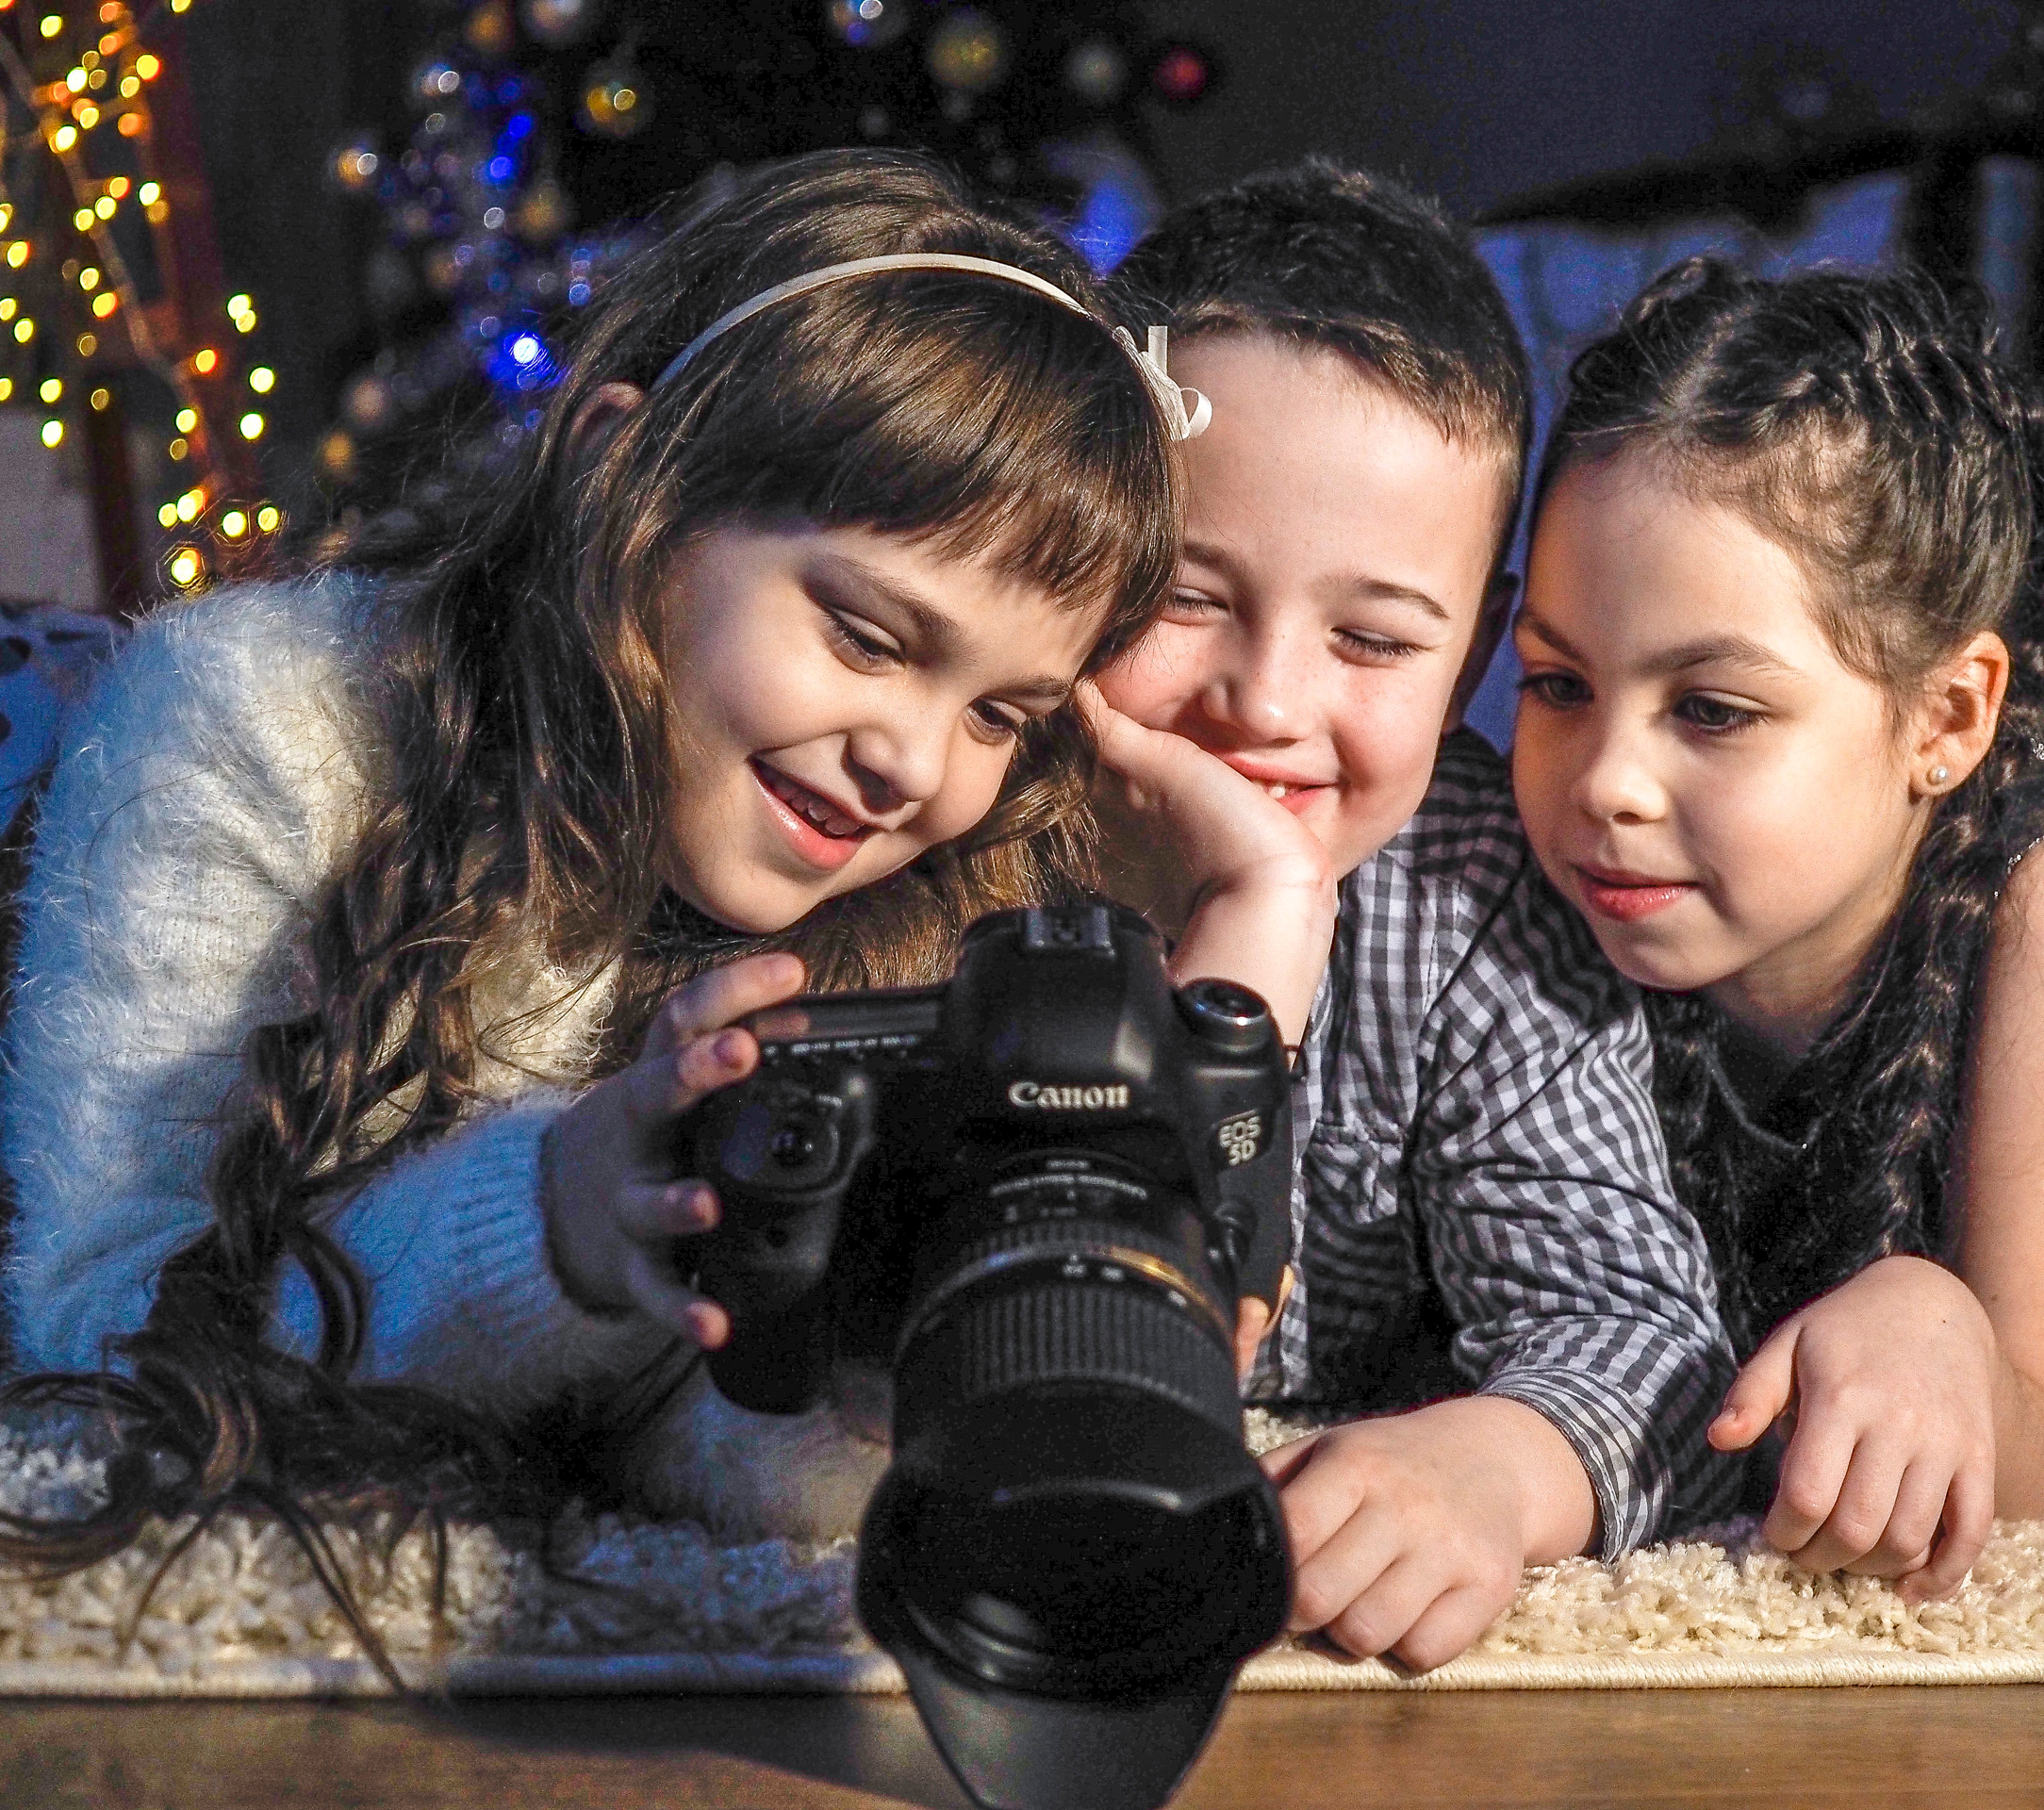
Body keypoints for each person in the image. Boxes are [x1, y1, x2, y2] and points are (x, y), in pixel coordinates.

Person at [0, 151, 1210, 1597]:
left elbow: (652, 1430)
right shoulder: (254, 718)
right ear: (620, 475)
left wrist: (880, 1405)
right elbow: (95, 1339)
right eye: (870, 639)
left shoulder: (925, 908)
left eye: (1001, 715)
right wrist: (556, 1219)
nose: (916, 762)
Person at [1089, 162, 1736, 1673]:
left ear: (1478, 654)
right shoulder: (952, 810)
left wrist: (1496, 1472)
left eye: (1372, 638)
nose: (1267, 703)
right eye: (1183, 597)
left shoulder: (1474, 893)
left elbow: (1642, 1337)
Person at [1510, 259, 2044, 1600]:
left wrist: (1938, 1319)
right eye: (1557, 682)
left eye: (1712, 710)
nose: (1604, 783)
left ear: (1945, 720)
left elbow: (2034, 1440)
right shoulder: (1500, 873)